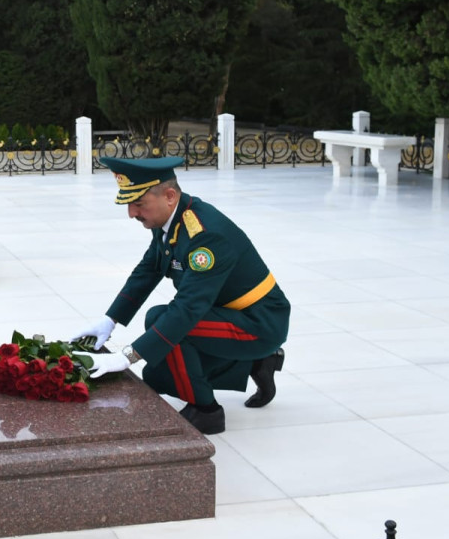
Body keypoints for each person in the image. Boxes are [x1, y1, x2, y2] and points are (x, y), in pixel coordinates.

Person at [76, 157, 289, 434]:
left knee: (175, 327)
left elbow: (188, 309)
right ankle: (256, 362)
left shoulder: (205, 235)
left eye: (138, 204)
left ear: (169, 195)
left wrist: (127, 357)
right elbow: (147, 271)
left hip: (260, 322)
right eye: (129, 204)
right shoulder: (171, 220)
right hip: (229, 313)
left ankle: (206, 411)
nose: (131, 213)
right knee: (158, 318)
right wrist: (109, 320)